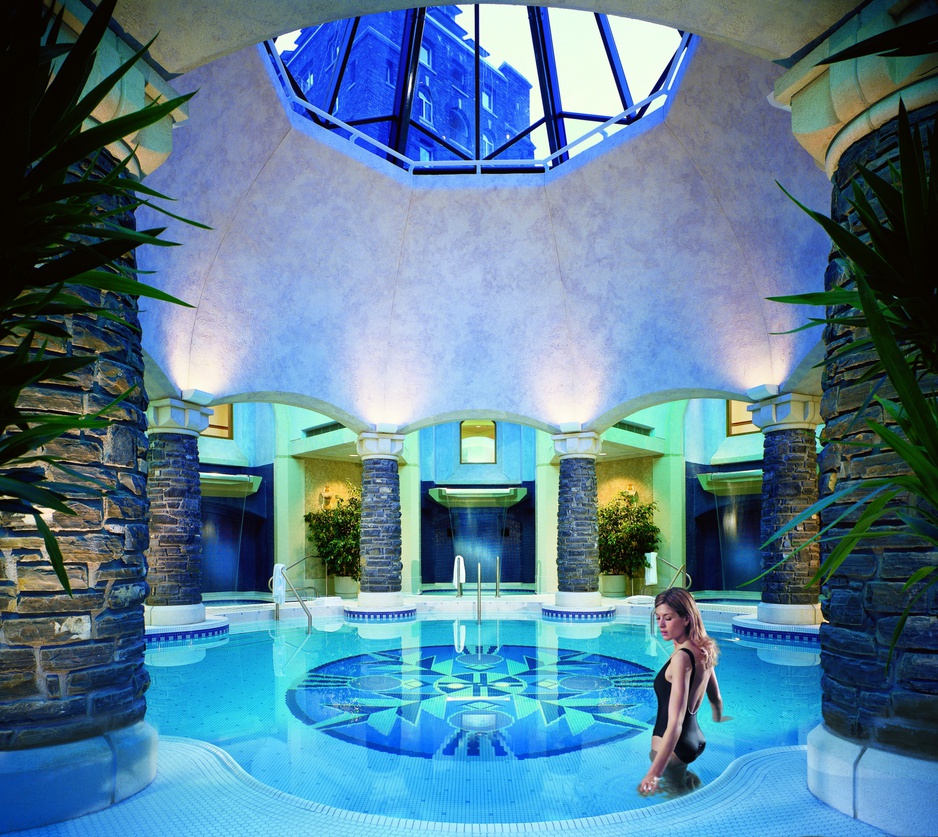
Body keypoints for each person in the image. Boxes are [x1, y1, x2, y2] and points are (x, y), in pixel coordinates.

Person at [638, 588, 730, 796]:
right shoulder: (703, 648)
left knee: (674, 808)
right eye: (658, 618)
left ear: (686, 618)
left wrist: (653, 774)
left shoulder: (681, 658)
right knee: (686, 792)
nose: (661, 625)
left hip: (672, 750)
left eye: (668, 618)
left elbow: (675, 723)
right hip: (695, 739)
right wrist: (719, 717)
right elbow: (715, 697)